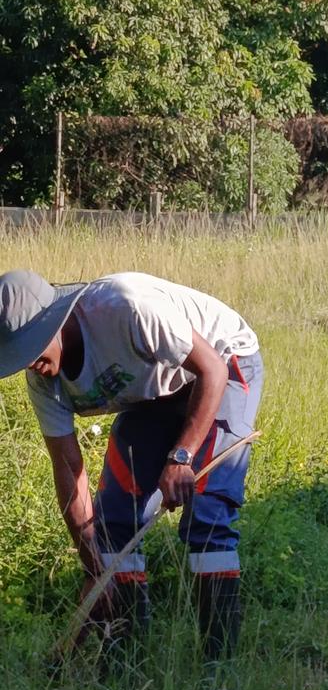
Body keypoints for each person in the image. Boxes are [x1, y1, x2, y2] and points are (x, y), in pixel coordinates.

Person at [0, 268, 263, 659]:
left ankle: (217, 668)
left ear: (54, 320)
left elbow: (212, 369)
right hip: (157, 392)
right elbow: (68, 469)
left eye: (32, 347)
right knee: (113, 523)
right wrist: (94, 570)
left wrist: (181, 456)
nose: (30, 363)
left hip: (224, 363)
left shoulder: (125, 307)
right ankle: (126, 659)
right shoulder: (45, 381)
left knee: (207, 512)